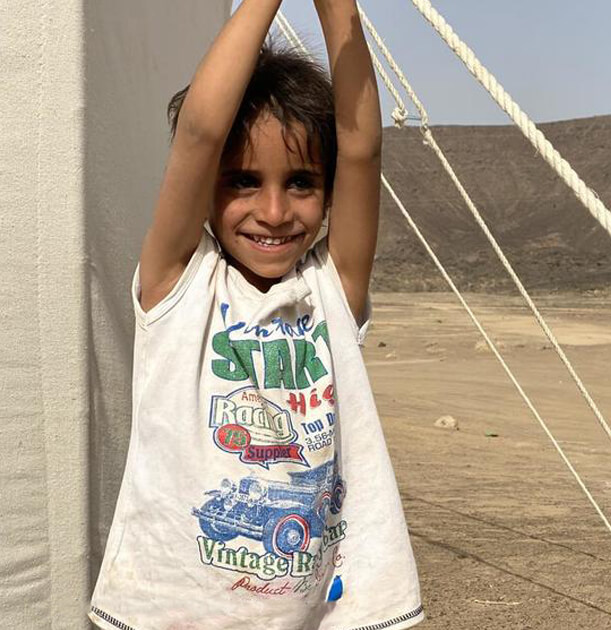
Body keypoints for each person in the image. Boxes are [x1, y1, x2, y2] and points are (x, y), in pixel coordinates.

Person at [88, 1, 424, 628]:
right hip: (172, 610)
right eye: (242, 181)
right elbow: (200, 133)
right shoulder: (178, 284)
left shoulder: (332, 287)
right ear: (207, 186)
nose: (273, 211)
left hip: (314, 610)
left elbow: (361, 149)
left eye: (301, 183)